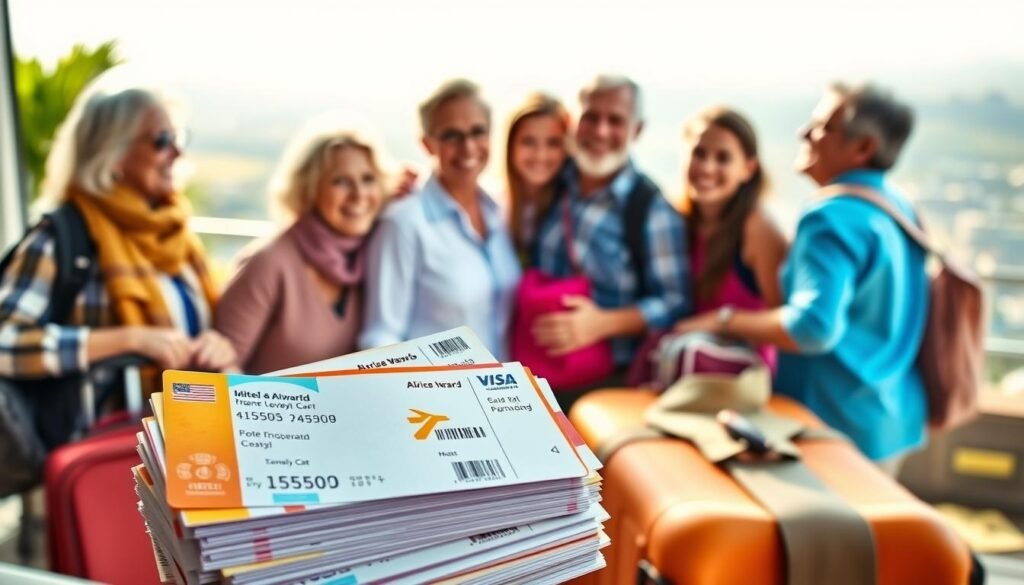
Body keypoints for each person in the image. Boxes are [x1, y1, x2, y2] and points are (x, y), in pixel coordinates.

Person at [673, 82, 926, 465]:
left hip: (833, 422)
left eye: (822, 127)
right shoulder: (896, 204)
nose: (804, 133)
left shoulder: (830, 216)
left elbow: (813, 328)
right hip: (892, 416)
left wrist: (725, 320)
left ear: (864, 147)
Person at [0, 82, 236, 388]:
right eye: (162, 140)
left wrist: (220, 351)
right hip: (107, 430)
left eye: (178, 137)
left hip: (187, 426)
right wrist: (129, 339)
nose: (178, 152)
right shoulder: (61, 237)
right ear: (113, 151)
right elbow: (6, 341)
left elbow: (199, 332)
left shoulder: (179, 235)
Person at [530, 74, 690, 404]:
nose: (601, 131)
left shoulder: (651, 209)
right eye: (591, 117)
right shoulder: (554, 180)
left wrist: (602, 324)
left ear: (638, 130)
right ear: (572, 121)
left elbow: (676, 302)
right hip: (535, 370)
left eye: (615, 120)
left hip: (603, 384)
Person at [359, 79, 520, 360]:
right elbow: (381, 337)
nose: (468, 147)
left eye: (478, 132)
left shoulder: (500, 209)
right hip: (436, 400)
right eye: (451, 136)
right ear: (427, 144)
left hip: (500, 395)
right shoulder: (403, 223)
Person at [215, 123, 390, 373]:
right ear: (309, 188)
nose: (359, 194)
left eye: (368, 179)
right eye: (340, 181)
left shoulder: (373, 257)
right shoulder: (267, 262)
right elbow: (221, 366)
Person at [679, 106, 788, 369]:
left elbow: (786, 324)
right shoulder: (680, 218)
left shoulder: (758, 229)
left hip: (740, 377)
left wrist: (721, 321)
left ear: (748, 169)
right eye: (699, 153)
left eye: (723, 158)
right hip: (687, 367)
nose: (707, 167)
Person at [503, 92, 571, 263]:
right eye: (528, 142)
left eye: (553, 143)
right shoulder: (492, 206)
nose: (541, 155)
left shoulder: (573, 205)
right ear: (511, 145)